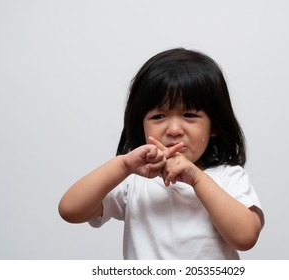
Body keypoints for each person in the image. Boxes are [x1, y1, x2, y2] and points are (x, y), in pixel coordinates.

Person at [58, 48, 264, 259]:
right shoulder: (133, 181)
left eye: (189, 114)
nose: (174, 129)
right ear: (141, 126)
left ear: (215, 125)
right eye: (158, 116)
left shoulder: (228, 177)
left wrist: (196, 178)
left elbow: (245, 237)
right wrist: (123, 166)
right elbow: (70, 210)